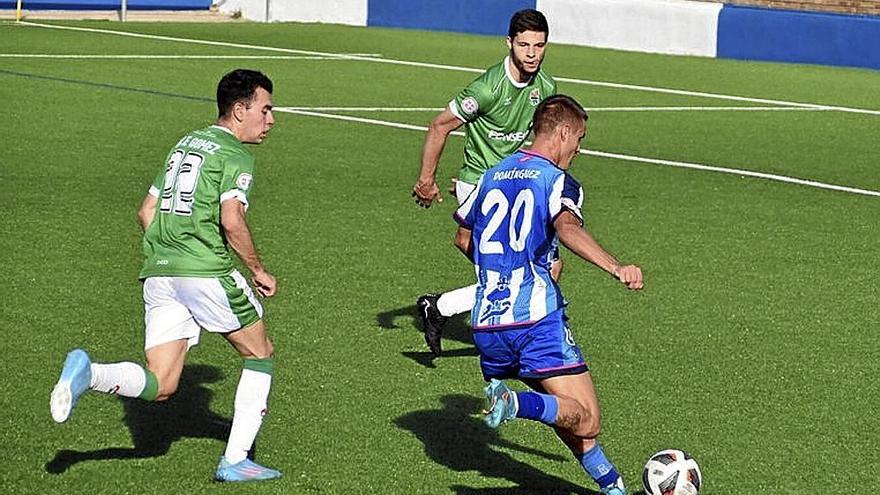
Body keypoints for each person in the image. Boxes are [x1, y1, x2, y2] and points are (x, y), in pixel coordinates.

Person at [49, 69, 281, 483]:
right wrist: (258, 269)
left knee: (163, 384)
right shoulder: (236, 155)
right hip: (205, 272)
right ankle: (236, 460)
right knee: (259, 353)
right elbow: (232, 219)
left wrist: (171, 255)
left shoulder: (186, 143)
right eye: (265, 110)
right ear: (240, 109)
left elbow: (146, 211)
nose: (270, 120)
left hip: (159, 274)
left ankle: (89, 373)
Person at [452, 94, 644, 495]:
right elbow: (568, 228)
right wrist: (615, 266)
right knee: (587, 419)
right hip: (535, 318)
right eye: (579, 139)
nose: (578, 149)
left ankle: (613, 489)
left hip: (487, 323)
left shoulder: (492, 175)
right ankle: (515, 403)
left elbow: (463, 237)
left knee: (563, 413)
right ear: (562, 132)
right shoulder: (556, 180)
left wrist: (504, 264)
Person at [412, 8, 557, 357]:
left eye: (539, 45)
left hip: (514, 184)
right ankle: (526, 334)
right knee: (531, 271)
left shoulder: (546, 88)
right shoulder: (487, 88)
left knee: (540, 267)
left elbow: (539, 143)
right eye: (524, 45)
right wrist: (427, 181)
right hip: (482, 184)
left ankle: (440, 307)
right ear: (509, 43)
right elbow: (439, 126)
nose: (532, 53)